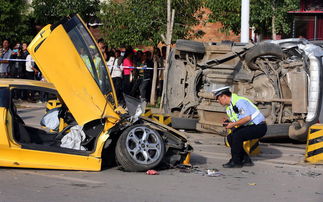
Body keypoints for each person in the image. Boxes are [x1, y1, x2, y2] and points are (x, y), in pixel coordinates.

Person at [213, 86, 267, 168]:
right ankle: (245, 159)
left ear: (224, 96)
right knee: (230, 137)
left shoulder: (239, 101)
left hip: (259, 126)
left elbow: (247, 118)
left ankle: (236, 161)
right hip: (250, 125)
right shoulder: (229, 106)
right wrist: (228, 122)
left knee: (237, 136)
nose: (217, 101)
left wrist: (232, 125)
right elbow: (239, 119)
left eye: (218, 98)